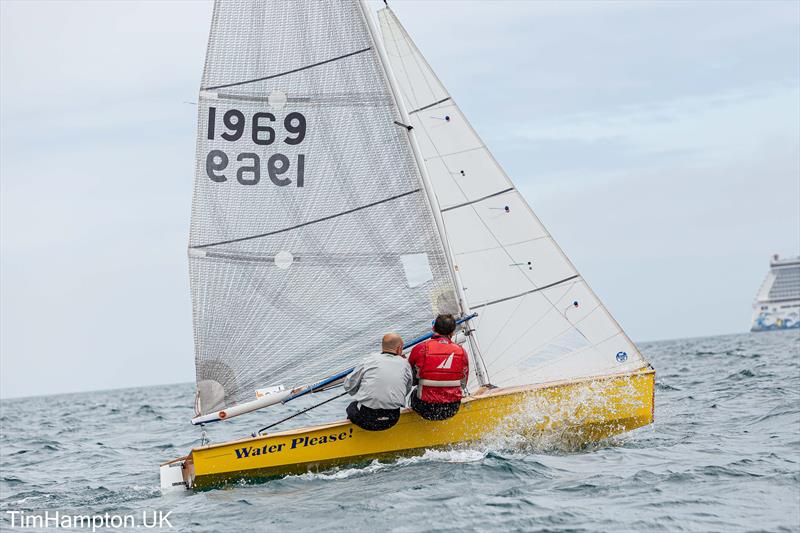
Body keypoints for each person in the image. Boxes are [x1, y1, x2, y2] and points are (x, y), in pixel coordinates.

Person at [344, 332, 412, 431]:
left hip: (365, 420)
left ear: (382, 347)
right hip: (392, 419)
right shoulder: (405, 364)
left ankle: (352, 434)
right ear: (399, 348)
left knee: (352, 406)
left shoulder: (369, 360)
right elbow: (407, 389)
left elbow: (349, 386)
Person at [408, 314, 469, 421]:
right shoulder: (461, 352)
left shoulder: (420, 348)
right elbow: (463, 383)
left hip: (425, 408)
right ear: (453, 332)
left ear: (433, 328)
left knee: (415, 392)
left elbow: (409, 378)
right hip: (451, 408)